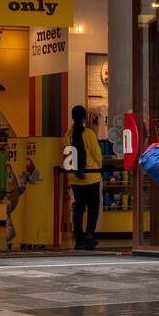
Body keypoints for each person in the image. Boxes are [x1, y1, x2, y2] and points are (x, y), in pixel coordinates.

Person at [68, 105, 103, 251]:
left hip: (75, 179)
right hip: (91, 177)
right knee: (93, 208)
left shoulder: (67, 135)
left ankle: (79, 238)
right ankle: (89, 235)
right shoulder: (89, 134)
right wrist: (99, 166)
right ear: (84, 118)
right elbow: (97, 155)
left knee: (79, 208)